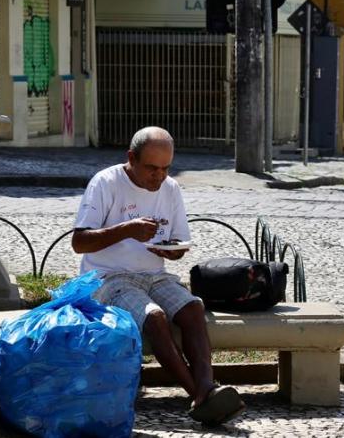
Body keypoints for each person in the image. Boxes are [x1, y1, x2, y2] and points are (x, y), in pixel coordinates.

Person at [72, 126, 245, 426]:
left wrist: (173, 252)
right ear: (131, 158)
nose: (159, 176)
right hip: (109, 277)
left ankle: (207, 386)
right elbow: (79, 242)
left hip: (155, 274)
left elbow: (178, 241)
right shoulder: (106, 182)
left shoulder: (170, 188)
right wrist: (127, 230)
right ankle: (199, 395)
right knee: (154, 317)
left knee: (193, 308)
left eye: (166, 168)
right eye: (152, 168)